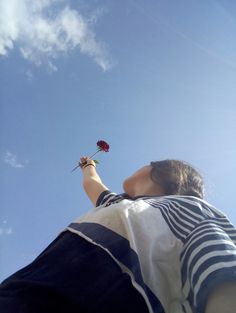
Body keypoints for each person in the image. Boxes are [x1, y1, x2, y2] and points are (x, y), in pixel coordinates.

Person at [0, 158, 236, 313]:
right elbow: (93, 184)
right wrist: (88, 166)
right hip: (24, 290)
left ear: (167, 173)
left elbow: (219, 269)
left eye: (149, 162)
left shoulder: (190, 207)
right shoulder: (119, 204)